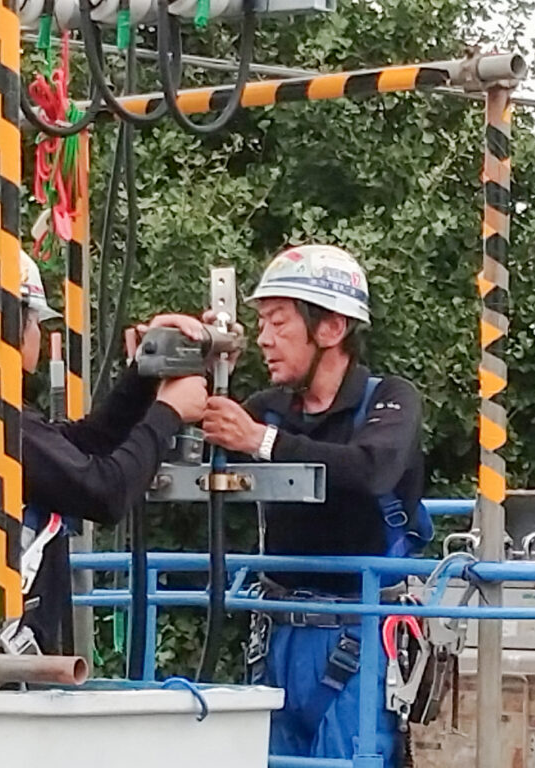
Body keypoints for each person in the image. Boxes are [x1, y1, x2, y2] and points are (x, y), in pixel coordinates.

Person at [0, 236, 207, 653]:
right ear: (4, 323)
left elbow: (79, 447)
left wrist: (143, 374)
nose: (39, 337)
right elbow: (105, 491)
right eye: (34, 323)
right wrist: (168, 413)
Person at [201, 244, 432, 765]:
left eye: (279, 322)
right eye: (261, 322)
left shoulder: (388, 400)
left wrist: (262, 442)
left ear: (331, 328)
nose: (264, 338)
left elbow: (371, 469)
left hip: (361, 629)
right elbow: (191, 452)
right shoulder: (268, 409)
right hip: (278, 630)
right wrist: (194, 369)